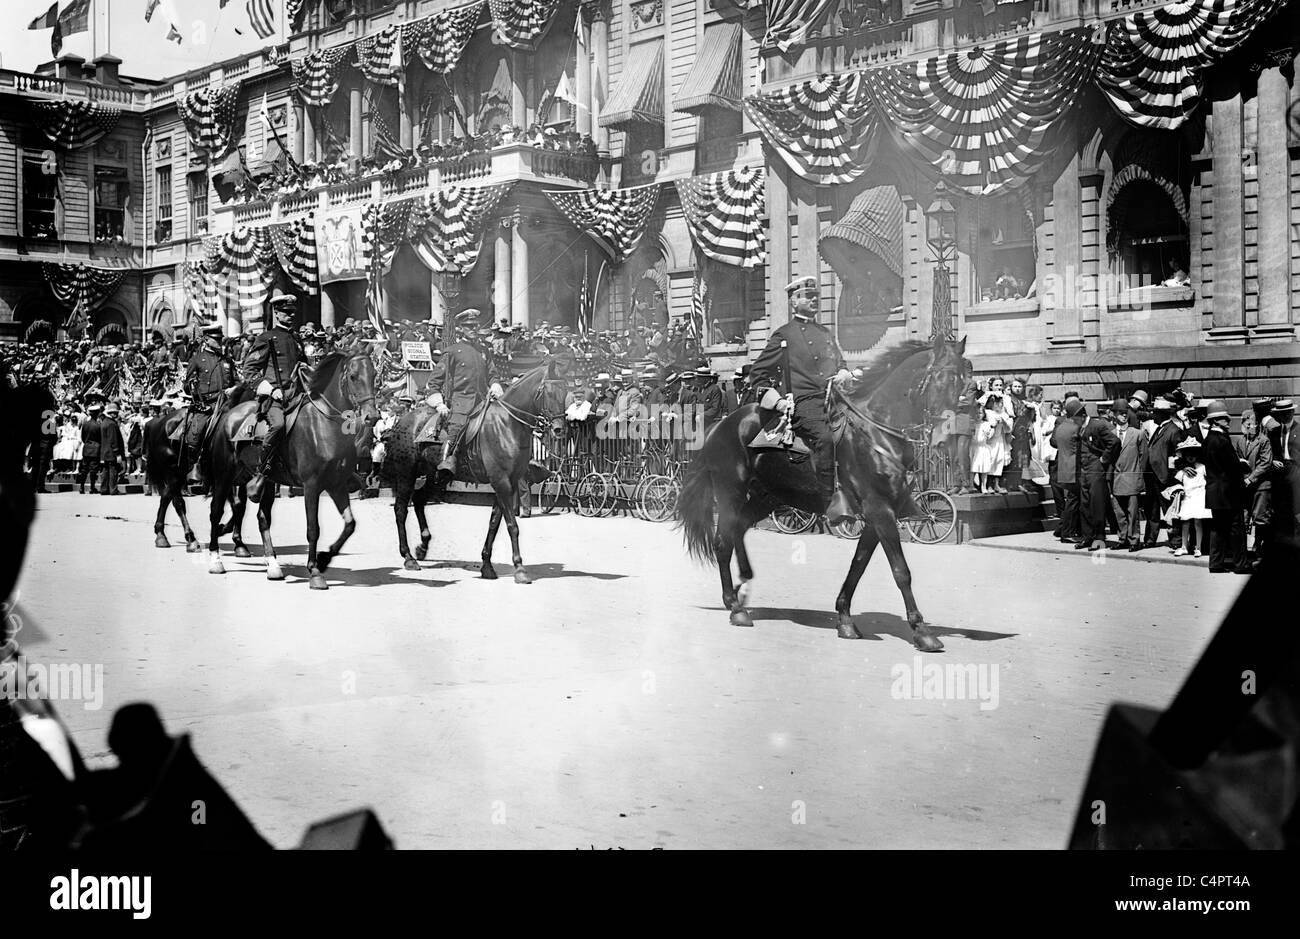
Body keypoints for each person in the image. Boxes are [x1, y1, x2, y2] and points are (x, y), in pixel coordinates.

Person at [748, 275, 855, 523]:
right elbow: (758, 374)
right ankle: (829, 503)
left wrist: (843, 372)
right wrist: (776, 401)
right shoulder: (783, 335)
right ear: (794, 302)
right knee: (825, 439)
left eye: (815, 295)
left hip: (834, 399)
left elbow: (840, 362)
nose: (814, 299)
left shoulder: (825, 333)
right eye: (808, 296)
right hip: (804, 402)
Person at [242, 293, 305, 503]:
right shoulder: (266, 338)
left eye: (292, 313)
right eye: (286, 313)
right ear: (276, 313)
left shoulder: (296, 340)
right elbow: (249, 371)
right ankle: (261, 472)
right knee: (278, 425)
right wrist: (269, 389)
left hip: (297, 395)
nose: (290, 316)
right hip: (275, 397)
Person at [424, 308, 500, 482]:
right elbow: (434, 382)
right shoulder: (452, 351)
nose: (473, 329)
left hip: (483, 402)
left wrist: (495, 385)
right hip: (461, 403)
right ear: (460, 329)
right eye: (469, 326)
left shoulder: (484, 350)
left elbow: (493, 374)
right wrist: (439, 403)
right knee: (456, 429)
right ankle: (446, 464)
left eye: (475, 325)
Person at [182, 321, 236, 472]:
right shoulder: (197, 359)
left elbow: (237, 380)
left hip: (227, 404)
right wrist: (193, 387)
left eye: (220, 339)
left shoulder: (227, 360)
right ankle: (191, 463)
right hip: (207, 405)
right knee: (196, 433)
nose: (219, 342)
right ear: (206, 340)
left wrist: (234, 389)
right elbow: (187, 386)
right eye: (216, 339)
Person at [1142, 397, 1185, 550]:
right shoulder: (1160, 429)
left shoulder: (1174, 431)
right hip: (1153, 476)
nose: (1153, 416)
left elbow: (1178, 455)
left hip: (1165, 477)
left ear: (1163, 414)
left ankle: (1176, 540)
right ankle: (1150, 539)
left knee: (1170, 510)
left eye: (1156, 413)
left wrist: (1172, 474)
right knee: (1151, 509)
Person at [1078, 402, 1120, 551]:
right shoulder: (1081, 427)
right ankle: (1087, 537)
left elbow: (1114, 441)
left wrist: (1104, 459)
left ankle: (1099, 538)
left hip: (1095, 468)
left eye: (1075, 418)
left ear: (1082, 415)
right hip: (1084, 469)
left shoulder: (1097, 425)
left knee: (1097, 504)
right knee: (1085, 504)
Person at [1110, 404, 1147, 551]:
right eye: (1120, 413)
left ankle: (1134, 540)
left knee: (1133, 512)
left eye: (1125, 413)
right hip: (1116, 479)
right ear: (1113, 415)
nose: (1124, 416)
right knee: (1119, 512)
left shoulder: (1137, 433)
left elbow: (1143, 457)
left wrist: (1139, 475)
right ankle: (1122, 538)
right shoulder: (1111, 434)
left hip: (1132, 477)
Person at [1243, 399, 1274, 563]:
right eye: (1246, 423)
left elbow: (1265, 463)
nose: (1249, 426)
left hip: (1261, 486)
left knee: (1261, 519)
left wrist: (1251, 478)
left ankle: (1260, 549)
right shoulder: (1241, 441)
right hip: (1246, 486)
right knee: (1245, 517)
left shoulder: (1263, 440)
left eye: (1252, 423)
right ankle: (1246, 550)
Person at [1052, 398, 1086, 543]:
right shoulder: (1076, 428)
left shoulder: (1062, 426)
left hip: (1064, 467)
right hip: (1074, 469)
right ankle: (1066, 532)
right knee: (1073, 501)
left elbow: (1053, 442)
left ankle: (1062, 528)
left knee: (1072, 500)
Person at [971, 378, 1013, 494]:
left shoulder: (1003, 414)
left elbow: (1009, 427)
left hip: (1000, 440)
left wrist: (1003, 422)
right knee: (989, 461)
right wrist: (987, 393)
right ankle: (986, 484)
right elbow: (979, 405)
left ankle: (996, 484)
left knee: (999, 460)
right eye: (996, 403)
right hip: (989, 441)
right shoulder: (988, 412)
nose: (999, 405)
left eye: (1000, 403)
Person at [1171, 438, 1211, 557]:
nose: (1191, 457)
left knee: (1198, 522)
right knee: (1185, 522)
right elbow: (1175, 480)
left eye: (1194, 454)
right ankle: (1184, 546)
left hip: (1199, 497)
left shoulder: (1202, 468)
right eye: (1188, 454)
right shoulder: (1182, 470)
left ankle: (1198, 547)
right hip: (1188, 498)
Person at [78, 400, 104, 494]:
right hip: (95, 448)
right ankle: (92, 487)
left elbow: (83, 437)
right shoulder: (98, 425)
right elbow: (100, 438)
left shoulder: (85, 424)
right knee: (93, 469)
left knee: (84, 469)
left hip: (86, 448)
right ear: (97, 413)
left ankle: (81, 487)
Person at [99, 403, 124, 496]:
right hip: (111, 452)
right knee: (113, 471)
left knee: (105, 471)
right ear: (112, 413)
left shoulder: (104, 422)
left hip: (104, 452)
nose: (117, 415)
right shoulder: (111, 424)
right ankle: (113, 489)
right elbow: (113, 439)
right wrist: (117, 453)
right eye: (115, 413)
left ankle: (104, 489)